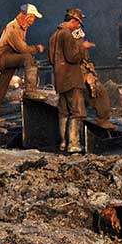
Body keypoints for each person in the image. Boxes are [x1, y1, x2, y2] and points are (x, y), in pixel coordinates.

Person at [0, 3, 45, 130]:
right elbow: (23, 49)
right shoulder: (12, 28)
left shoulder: (22, 27)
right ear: (26, 16)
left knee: (2, 89)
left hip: (11, 58)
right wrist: (37, 48)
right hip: (4, 58)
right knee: (27, 57)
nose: (33, 21)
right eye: (32, 18)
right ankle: (30, 91)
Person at [48, 8, 92, 154]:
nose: (79, 26)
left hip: (60, 80)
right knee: (77, 111)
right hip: (71, 79)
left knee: (64, 111)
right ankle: (73, 144)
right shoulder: (67, 34)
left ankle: (63, 143)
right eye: (79, 23)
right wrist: (82, 47)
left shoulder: (54, 35)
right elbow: (73, 57)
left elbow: (50, 59)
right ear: (73, 21)